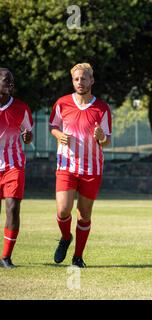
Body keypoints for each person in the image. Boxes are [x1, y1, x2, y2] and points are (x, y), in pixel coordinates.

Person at [49, 63, 112, 268]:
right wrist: (59, 135)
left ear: (91, 80)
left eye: (84, 79)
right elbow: (53, 126)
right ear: (72, 81)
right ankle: (66, 237)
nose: (80, 82)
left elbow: (107, 141)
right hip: (66, 165)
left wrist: (101, 137)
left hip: (91, 169)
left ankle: (78, 257)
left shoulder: (101, 108)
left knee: (84, 215)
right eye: (76, 79)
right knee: (63, 210)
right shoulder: (62, 103)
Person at [0, 68, 33, 268]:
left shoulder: (21, 107)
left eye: (11, 81)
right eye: (6, 80)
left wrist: (27, 137)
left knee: (13, 208)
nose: (10, 84)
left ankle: (5, 257)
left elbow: (28, 135)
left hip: (14, 166)